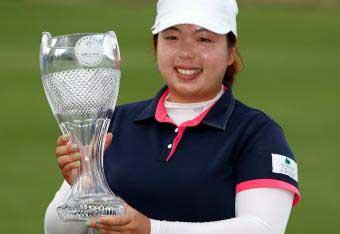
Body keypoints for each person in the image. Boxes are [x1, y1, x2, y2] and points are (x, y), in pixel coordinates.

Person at [44, 0, 300, 233]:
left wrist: (151, 230)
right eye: (172, 37)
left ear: (231, 52)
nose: (186, 53)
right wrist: (82, 184)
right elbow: (57, 231)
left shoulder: (257, 133)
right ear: (156, 47)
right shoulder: (114, 124)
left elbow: (262, 228)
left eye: (204, 40)